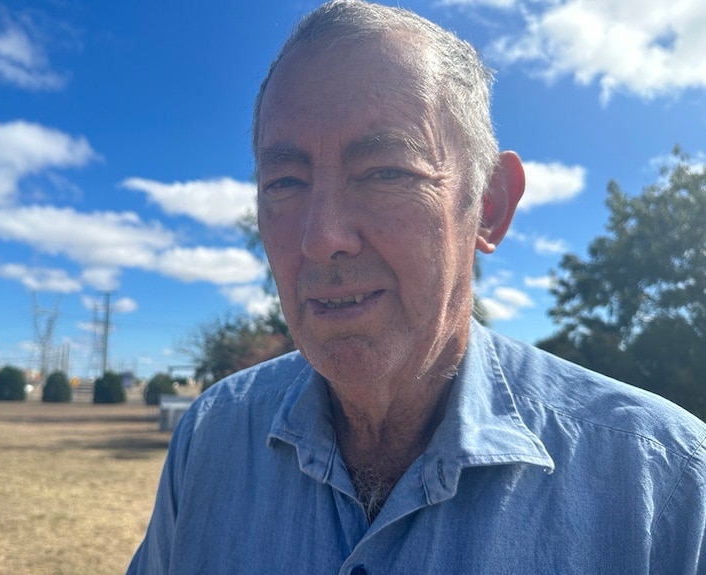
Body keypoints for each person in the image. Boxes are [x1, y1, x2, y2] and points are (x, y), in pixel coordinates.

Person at [127, 1, 706, 573]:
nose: (322, 238)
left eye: (387, 172)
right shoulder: (210, 440)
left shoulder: (664, 486)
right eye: (284, 181)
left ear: (488, 206)